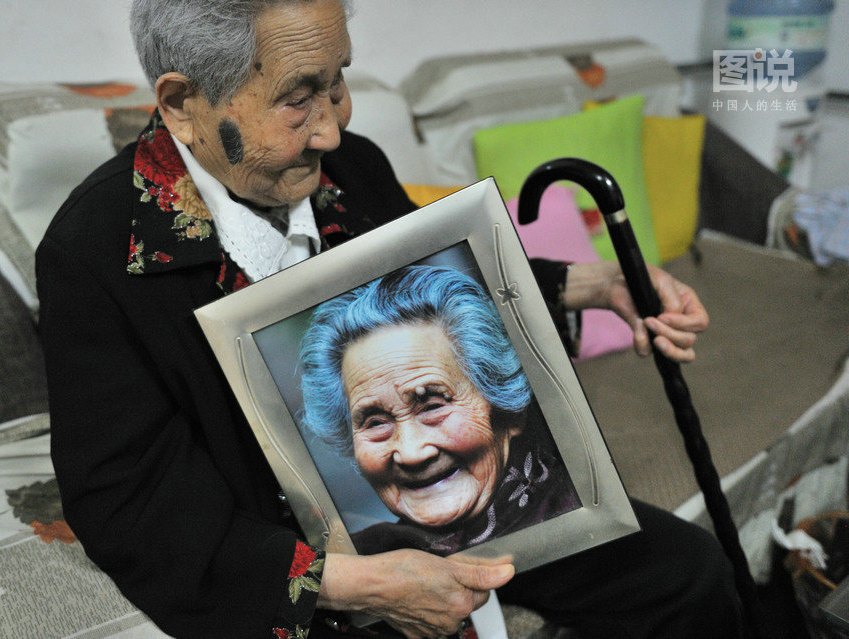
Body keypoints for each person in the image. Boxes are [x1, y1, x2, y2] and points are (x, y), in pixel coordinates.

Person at [36, 1, 742, 638]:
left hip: (456, 500)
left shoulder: (357, 171)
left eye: (337, 79)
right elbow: (128, 504)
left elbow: (439, 285)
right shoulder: (95, 255)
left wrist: (593, 282)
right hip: (294, 548)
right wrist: (358, 583)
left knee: (687, 571)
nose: (334, 128)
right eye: (298, 96)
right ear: (183, 103)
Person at [298, 265, 581, 556]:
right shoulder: (354, 566)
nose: (411, 453)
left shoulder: (597, 520)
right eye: (375, 423)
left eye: (433, 406)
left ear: (509, 412)